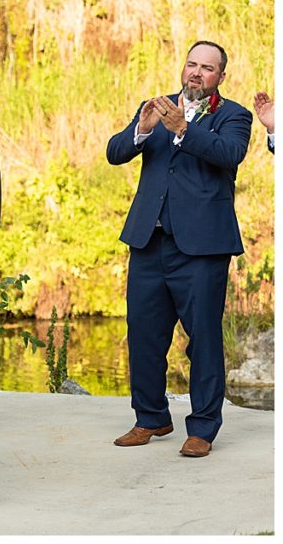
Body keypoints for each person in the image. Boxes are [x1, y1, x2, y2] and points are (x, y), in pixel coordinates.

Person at [106, 40, 251, 458]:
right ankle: (151, 417)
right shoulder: (155, 105)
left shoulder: (234, 115)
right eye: (192, 64)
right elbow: (116, 153)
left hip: (202, 248)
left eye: (207, 68)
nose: (196, 73)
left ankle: (203, 428)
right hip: (149, 242)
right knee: (144, 336)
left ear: (220, 76)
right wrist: (145, 128)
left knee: (203, 339)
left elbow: (229, 154)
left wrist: (185, 130)